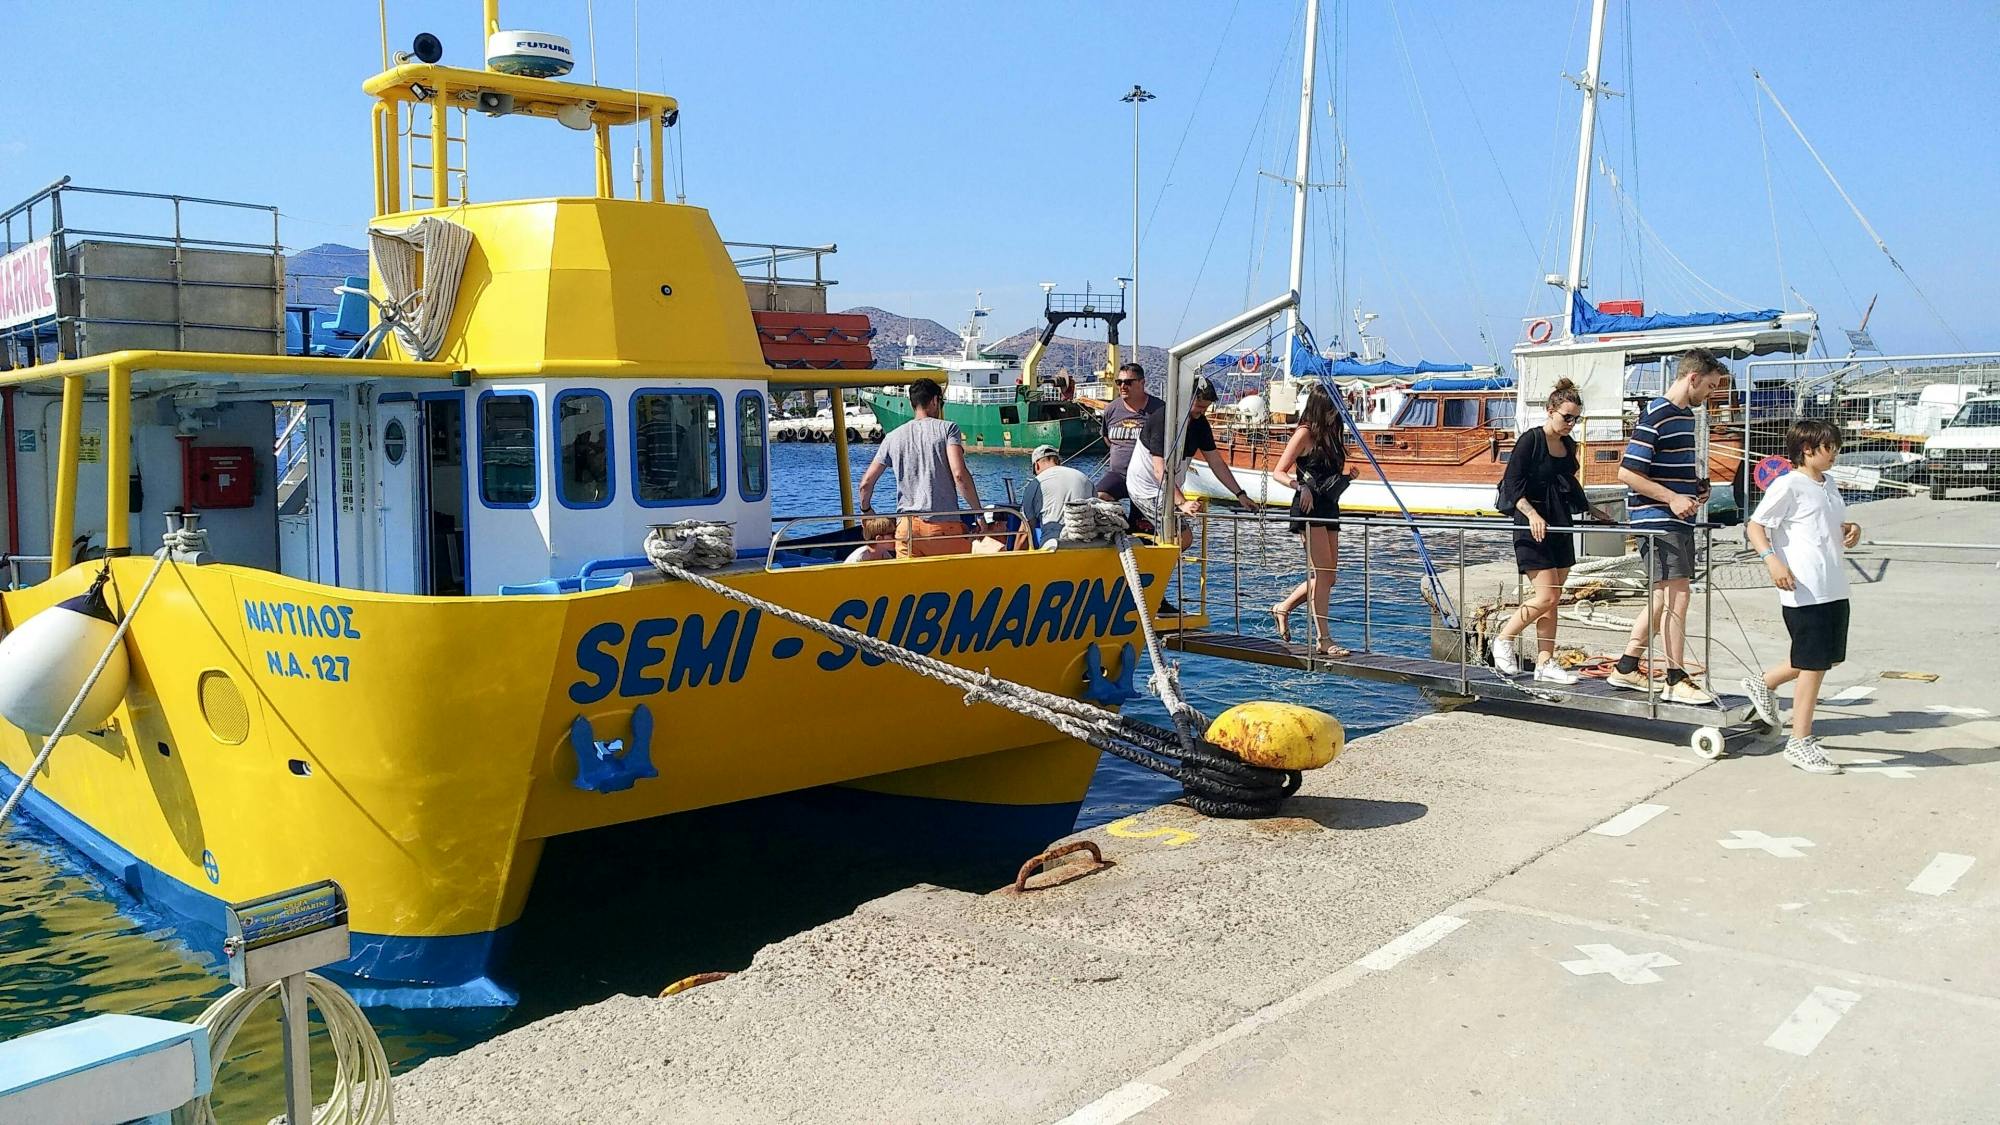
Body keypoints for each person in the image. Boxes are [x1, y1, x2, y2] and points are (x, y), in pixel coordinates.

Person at [1608, 348, 1733, 703]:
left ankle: (1627, 667)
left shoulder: (1684, 417)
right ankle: (1675, 677)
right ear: (1692, 378)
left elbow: (1668, 468)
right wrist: (1673, 499)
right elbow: (1628, 472)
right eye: (1709, 387)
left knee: (1663, 597)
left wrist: (1694, 488)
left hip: (1676, 517)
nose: (1710, 395)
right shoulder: (1658, 414)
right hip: (1659, 520)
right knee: (1679, 595)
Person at [1740, 420, 1860, 775]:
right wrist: (1771, 561)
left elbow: (1827, 526)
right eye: (1829, 446)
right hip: (1804, 587)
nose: (1835, 452)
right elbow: (1756, 525)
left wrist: (1852, 530)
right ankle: (1800, 741)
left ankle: (1764, 683)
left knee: (1827, 657)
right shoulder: (1788, 483)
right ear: (1807, 449)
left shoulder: (1828, 483)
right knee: (1813, 664)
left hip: (1833, 584)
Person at [1489, 378, 1615, 682]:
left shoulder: (1568, 444)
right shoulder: (1530, 441)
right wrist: (1532, 514)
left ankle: (1545, 662)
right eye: (1566, 417)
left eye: (1576, 418)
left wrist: (1590, 508)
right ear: (1550, 411)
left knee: (1554, 598)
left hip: (1559, 523)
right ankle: (1504, 638)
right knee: (1545, 596)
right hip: (1531, 525)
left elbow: (1568, 483)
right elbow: (1512, 485)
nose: (1571, 423)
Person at [856, 377, 989, 557]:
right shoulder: (948, 429)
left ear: (912, 404)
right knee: (956, 581)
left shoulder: (892, 438)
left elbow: (865, 483)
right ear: (935, 400)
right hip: (942, 528)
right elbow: (959, 475)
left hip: (906, 531)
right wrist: (979, 514)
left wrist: (866, 510)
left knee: (911, 585)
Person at [1268, 384, 1355, 656]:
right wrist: (1299, 486)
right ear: (1320, 407)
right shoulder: (1304, 433)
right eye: (1331, 408)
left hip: (1329, 506)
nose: (1334, 413)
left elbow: (1327, 474)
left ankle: (1283, 607)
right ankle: (1323, 639)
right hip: (1309, 507)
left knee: (1329, 577)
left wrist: (1348, 478)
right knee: (1324, 574)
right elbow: (1278, 471)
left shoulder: (1332, 433)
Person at [1126, 374, 1254, 551]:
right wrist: (1181, 503)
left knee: (1178, 538)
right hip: (1147, 489)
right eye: (1199, 406)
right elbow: (1159, 470)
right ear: (1186, 398)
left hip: (1168, 488)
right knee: (1182, 537)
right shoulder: (1162, 419)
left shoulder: (1200, 423)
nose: (1201, 412)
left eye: (1205, 408)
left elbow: (1216, 462)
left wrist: (1240, 494)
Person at [1094, 363, 1165, 519]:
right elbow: (1107, 438)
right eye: (1119, 382)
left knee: (1143, 527)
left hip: (1146, 478)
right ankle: (1119, 525)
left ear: (1142, 383)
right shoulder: (1111, 409)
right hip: (1119, 475)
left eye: (1128, 382)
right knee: (1097, 499)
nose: (1123, 386)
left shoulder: (1159, 410)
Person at [1015, 444, 1095, 549]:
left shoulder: (1035, 484)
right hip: (1090, 547)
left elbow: (1024, 533)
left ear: (1037, 466)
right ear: (1058, 462)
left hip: (1054, 548)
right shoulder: (1084, 478)